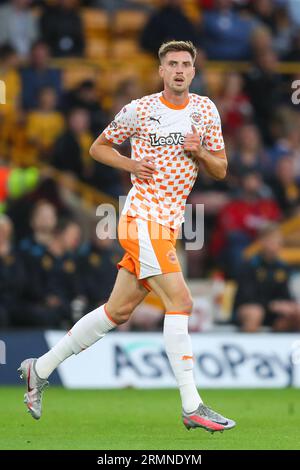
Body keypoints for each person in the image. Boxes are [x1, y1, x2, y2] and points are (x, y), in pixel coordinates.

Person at [18, 40, 235, 433]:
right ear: (161, 71)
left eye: (186, 64)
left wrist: (200, 152)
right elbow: (98, 147)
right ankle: (192, 405)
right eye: (172, 64)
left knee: (115, 312)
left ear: (194, 71)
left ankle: (40, 367)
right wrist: (130, 162)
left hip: (169, 226)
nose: (180, 70)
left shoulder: (205, 110)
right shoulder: (141, 109)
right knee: (181, 301)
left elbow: (220, 170)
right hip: (142, 218)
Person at [233, 223, 298, 332]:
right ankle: (248, 347)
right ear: (262, 241)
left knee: (295, 313)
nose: (276, 244)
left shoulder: (283, 267)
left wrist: (288, 305)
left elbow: (285, 295)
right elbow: (247, 298)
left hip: (273, 311)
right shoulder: (250, 265)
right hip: (249, 309)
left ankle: (280, 347)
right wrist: (271, 305)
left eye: (279, 241)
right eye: (272, 240)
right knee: (255, 313)